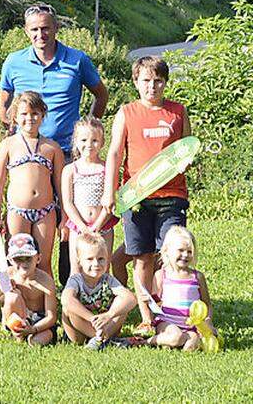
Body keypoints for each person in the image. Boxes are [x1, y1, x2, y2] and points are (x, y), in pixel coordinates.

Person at [0, 3, 108, 283]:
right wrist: (18, 134)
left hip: (69, 155)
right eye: (34, 29)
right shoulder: (14, 62)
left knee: (68, 222)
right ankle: (24, 284)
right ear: (26, 31)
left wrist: (86, 135)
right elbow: (4, 104)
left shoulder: (77, 60)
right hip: (29, 155)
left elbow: (101, 94)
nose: (40, 34)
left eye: (46, 28)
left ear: (56, 28)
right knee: (30, 221)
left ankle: (71, 282)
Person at [105, 55, 191, 335]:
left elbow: (186, 148)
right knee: (141, 257)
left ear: (165, 83)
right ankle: (146, 316)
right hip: (136, 198)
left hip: (172, 195)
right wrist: (110, 192)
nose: (152, 87)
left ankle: (170, 310)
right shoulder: (127, 112)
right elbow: (115, 153)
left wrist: (188, 160)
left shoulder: (178, 111)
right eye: (146, 81)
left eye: (158, 81)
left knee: (168, 255)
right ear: (136, 82)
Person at [0, 91, 64, 276]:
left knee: (44, 261)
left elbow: (61, 186)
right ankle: (17, 303)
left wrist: (64, 217)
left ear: (42, 115)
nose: (29, 118)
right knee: (17, 261)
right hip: (17, 212)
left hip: (45, 212)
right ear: (15, 116)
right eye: (24, 114)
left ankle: (45, 303)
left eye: (34, 113)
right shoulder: (8, 144)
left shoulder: (52, 147)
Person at [60, 117, 116, 276]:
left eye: (95, 140)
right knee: (77, 269)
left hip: (103, 227)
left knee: (103, 268)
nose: (89, 145)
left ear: (103, 142)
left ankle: (101, 300)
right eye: (84, 140)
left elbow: (110, 201)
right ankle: (75, 300)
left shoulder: (107, 169)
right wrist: (84, 228)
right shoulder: (70, 170)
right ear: (76, 141)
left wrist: (97, 226)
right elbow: (68, 203)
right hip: (78, 228)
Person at [61, 231, 136, 349]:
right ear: (79, 261)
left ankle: (99, 339)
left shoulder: (108, 280)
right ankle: (100, 338)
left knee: (122, 303)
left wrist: (109, 315)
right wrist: (92, 319)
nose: (96, 264)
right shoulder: (76, 280)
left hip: (106, 326)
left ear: (107, 259)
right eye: (90, 259)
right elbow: (66, 299)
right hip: (80, 332)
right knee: (68, 308)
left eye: (101, 259)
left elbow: (131, 298)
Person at [148, 226, 215, 351]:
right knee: (176, 337)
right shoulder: (161, 275)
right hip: (167, 323)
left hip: (191, 326)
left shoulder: (197, 277)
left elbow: (207, 304)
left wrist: (208, 322)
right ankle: (150, 341)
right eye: (181, 250)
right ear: (167, 251)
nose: (185, 255)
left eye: (189, 251)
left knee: (192, 345)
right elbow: (154, 303)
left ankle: (170, 342)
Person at [0, 233, 58, 346]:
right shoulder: (6, 274)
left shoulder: (46, 281)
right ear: (10, 260)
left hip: (39, 321)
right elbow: (1, 301)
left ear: (38, 258)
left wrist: (34, 329)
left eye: (28, 258)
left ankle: (29, 336)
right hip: (17, 317)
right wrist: (7, 290)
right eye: (18, 259)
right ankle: (18, 334)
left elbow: (51, 317)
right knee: (12, 296)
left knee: (38, 341)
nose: (23, 263)